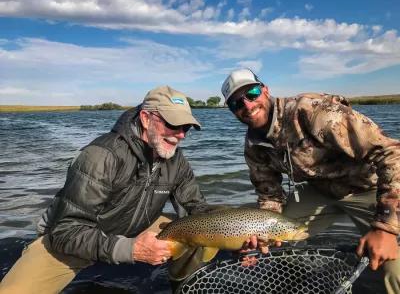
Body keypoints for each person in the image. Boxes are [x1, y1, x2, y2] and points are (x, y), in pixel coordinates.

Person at [0, 85, 211, 294]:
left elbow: (197, 209)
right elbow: (66, 232)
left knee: (195, 231)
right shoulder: (100, 156)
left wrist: (238, 236)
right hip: (71, 241)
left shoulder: (176, 160)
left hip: (136, 227)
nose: (181, 135)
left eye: (186, 127)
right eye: (173, 124)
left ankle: (181, 284)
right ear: (146, 119)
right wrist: (131, 250)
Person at [221, 68, 400, 294]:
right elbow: (270, 196)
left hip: (372, 189)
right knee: (282, 240)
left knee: (395, 270)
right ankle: (295, 284)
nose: (247, 105)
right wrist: (257, 238)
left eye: (252, 93)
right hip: (320, 192)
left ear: (265, 90)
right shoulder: (253, 146)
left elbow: (392, 153)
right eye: (236, 103)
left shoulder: (313, 111)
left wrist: (386, 228)